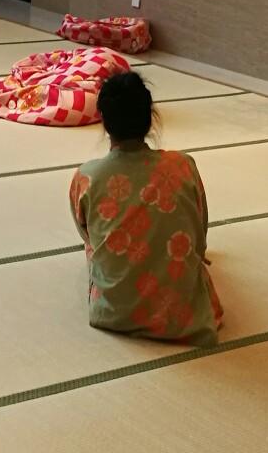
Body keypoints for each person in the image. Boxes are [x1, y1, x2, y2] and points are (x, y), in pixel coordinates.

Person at [69, 69, 223, 346]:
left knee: (95, 248)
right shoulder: (182, 165)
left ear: (103, 119)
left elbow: (89, 235)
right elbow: (199, 231)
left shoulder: (87, 177)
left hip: (113, 312)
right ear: (150, 116)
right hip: (182, 314)